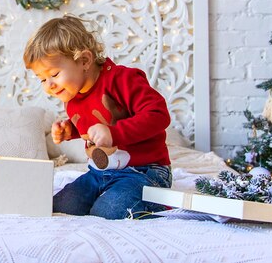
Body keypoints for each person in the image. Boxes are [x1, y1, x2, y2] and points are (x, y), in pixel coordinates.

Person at [23, 15, 172, 219]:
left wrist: (114, 133)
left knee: (108, 212)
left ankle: (157, 201)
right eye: (42, 79)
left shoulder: (122, 80)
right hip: (99, 173)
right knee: (62, 206)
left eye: (54, 74)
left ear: (84, 60)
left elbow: (158, 115)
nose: (49, 85)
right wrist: (71, 130)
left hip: (144, 171)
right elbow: (94, 125)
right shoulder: (73, 96)